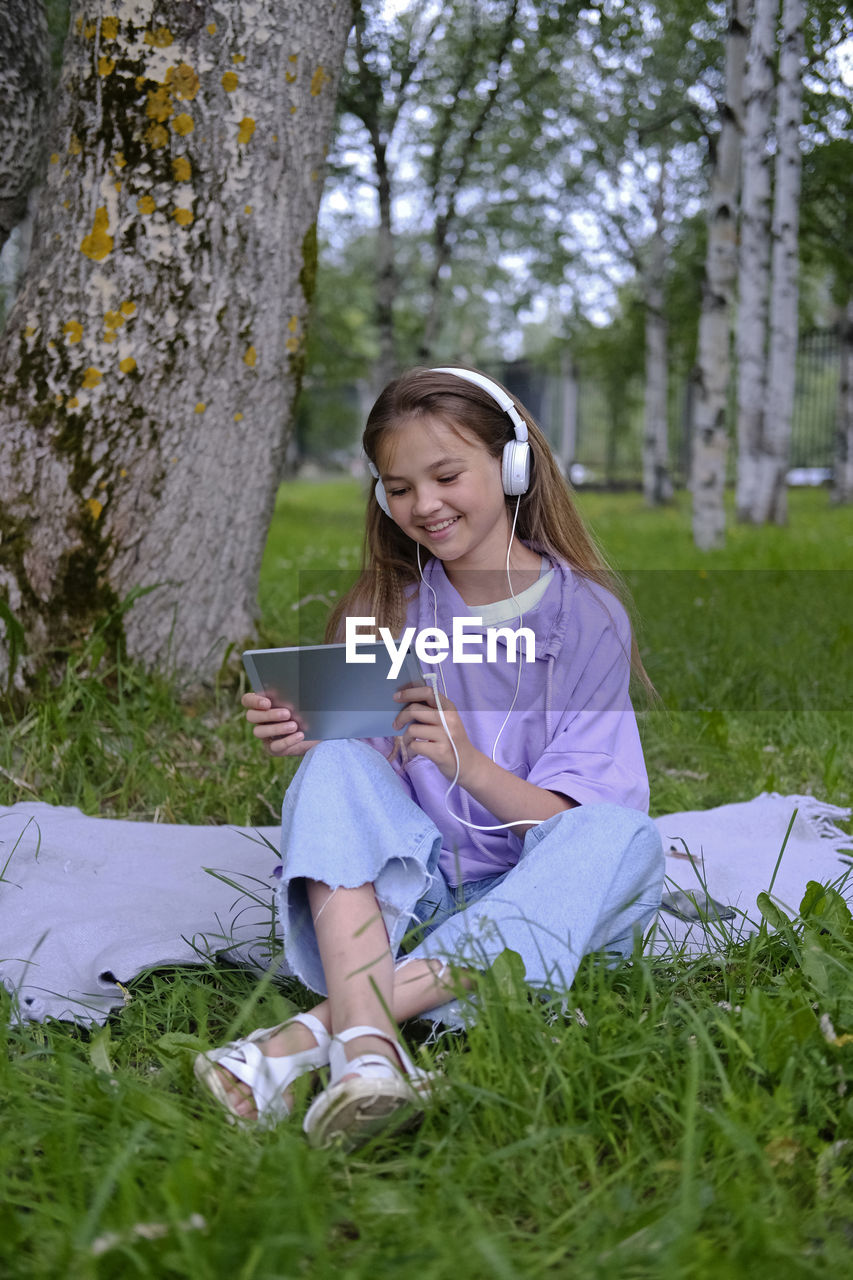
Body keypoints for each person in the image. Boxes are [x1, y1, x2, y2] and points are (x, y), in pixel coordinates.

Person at [194, 366, 664, 1150]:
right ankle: (373, 1055)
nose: (425, 505)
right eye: (399, 487)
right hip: (419, 907)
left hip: (549, 896)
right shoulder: (387, 610)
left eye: (447, 476)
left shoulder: (588, 617)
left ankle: (324, 1036)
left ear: (511, 468)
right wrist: (322, 736)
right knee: (336, 768)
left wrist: (465, 763)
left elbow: (570, 828)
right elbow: (367, 806)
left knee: (625, 838)